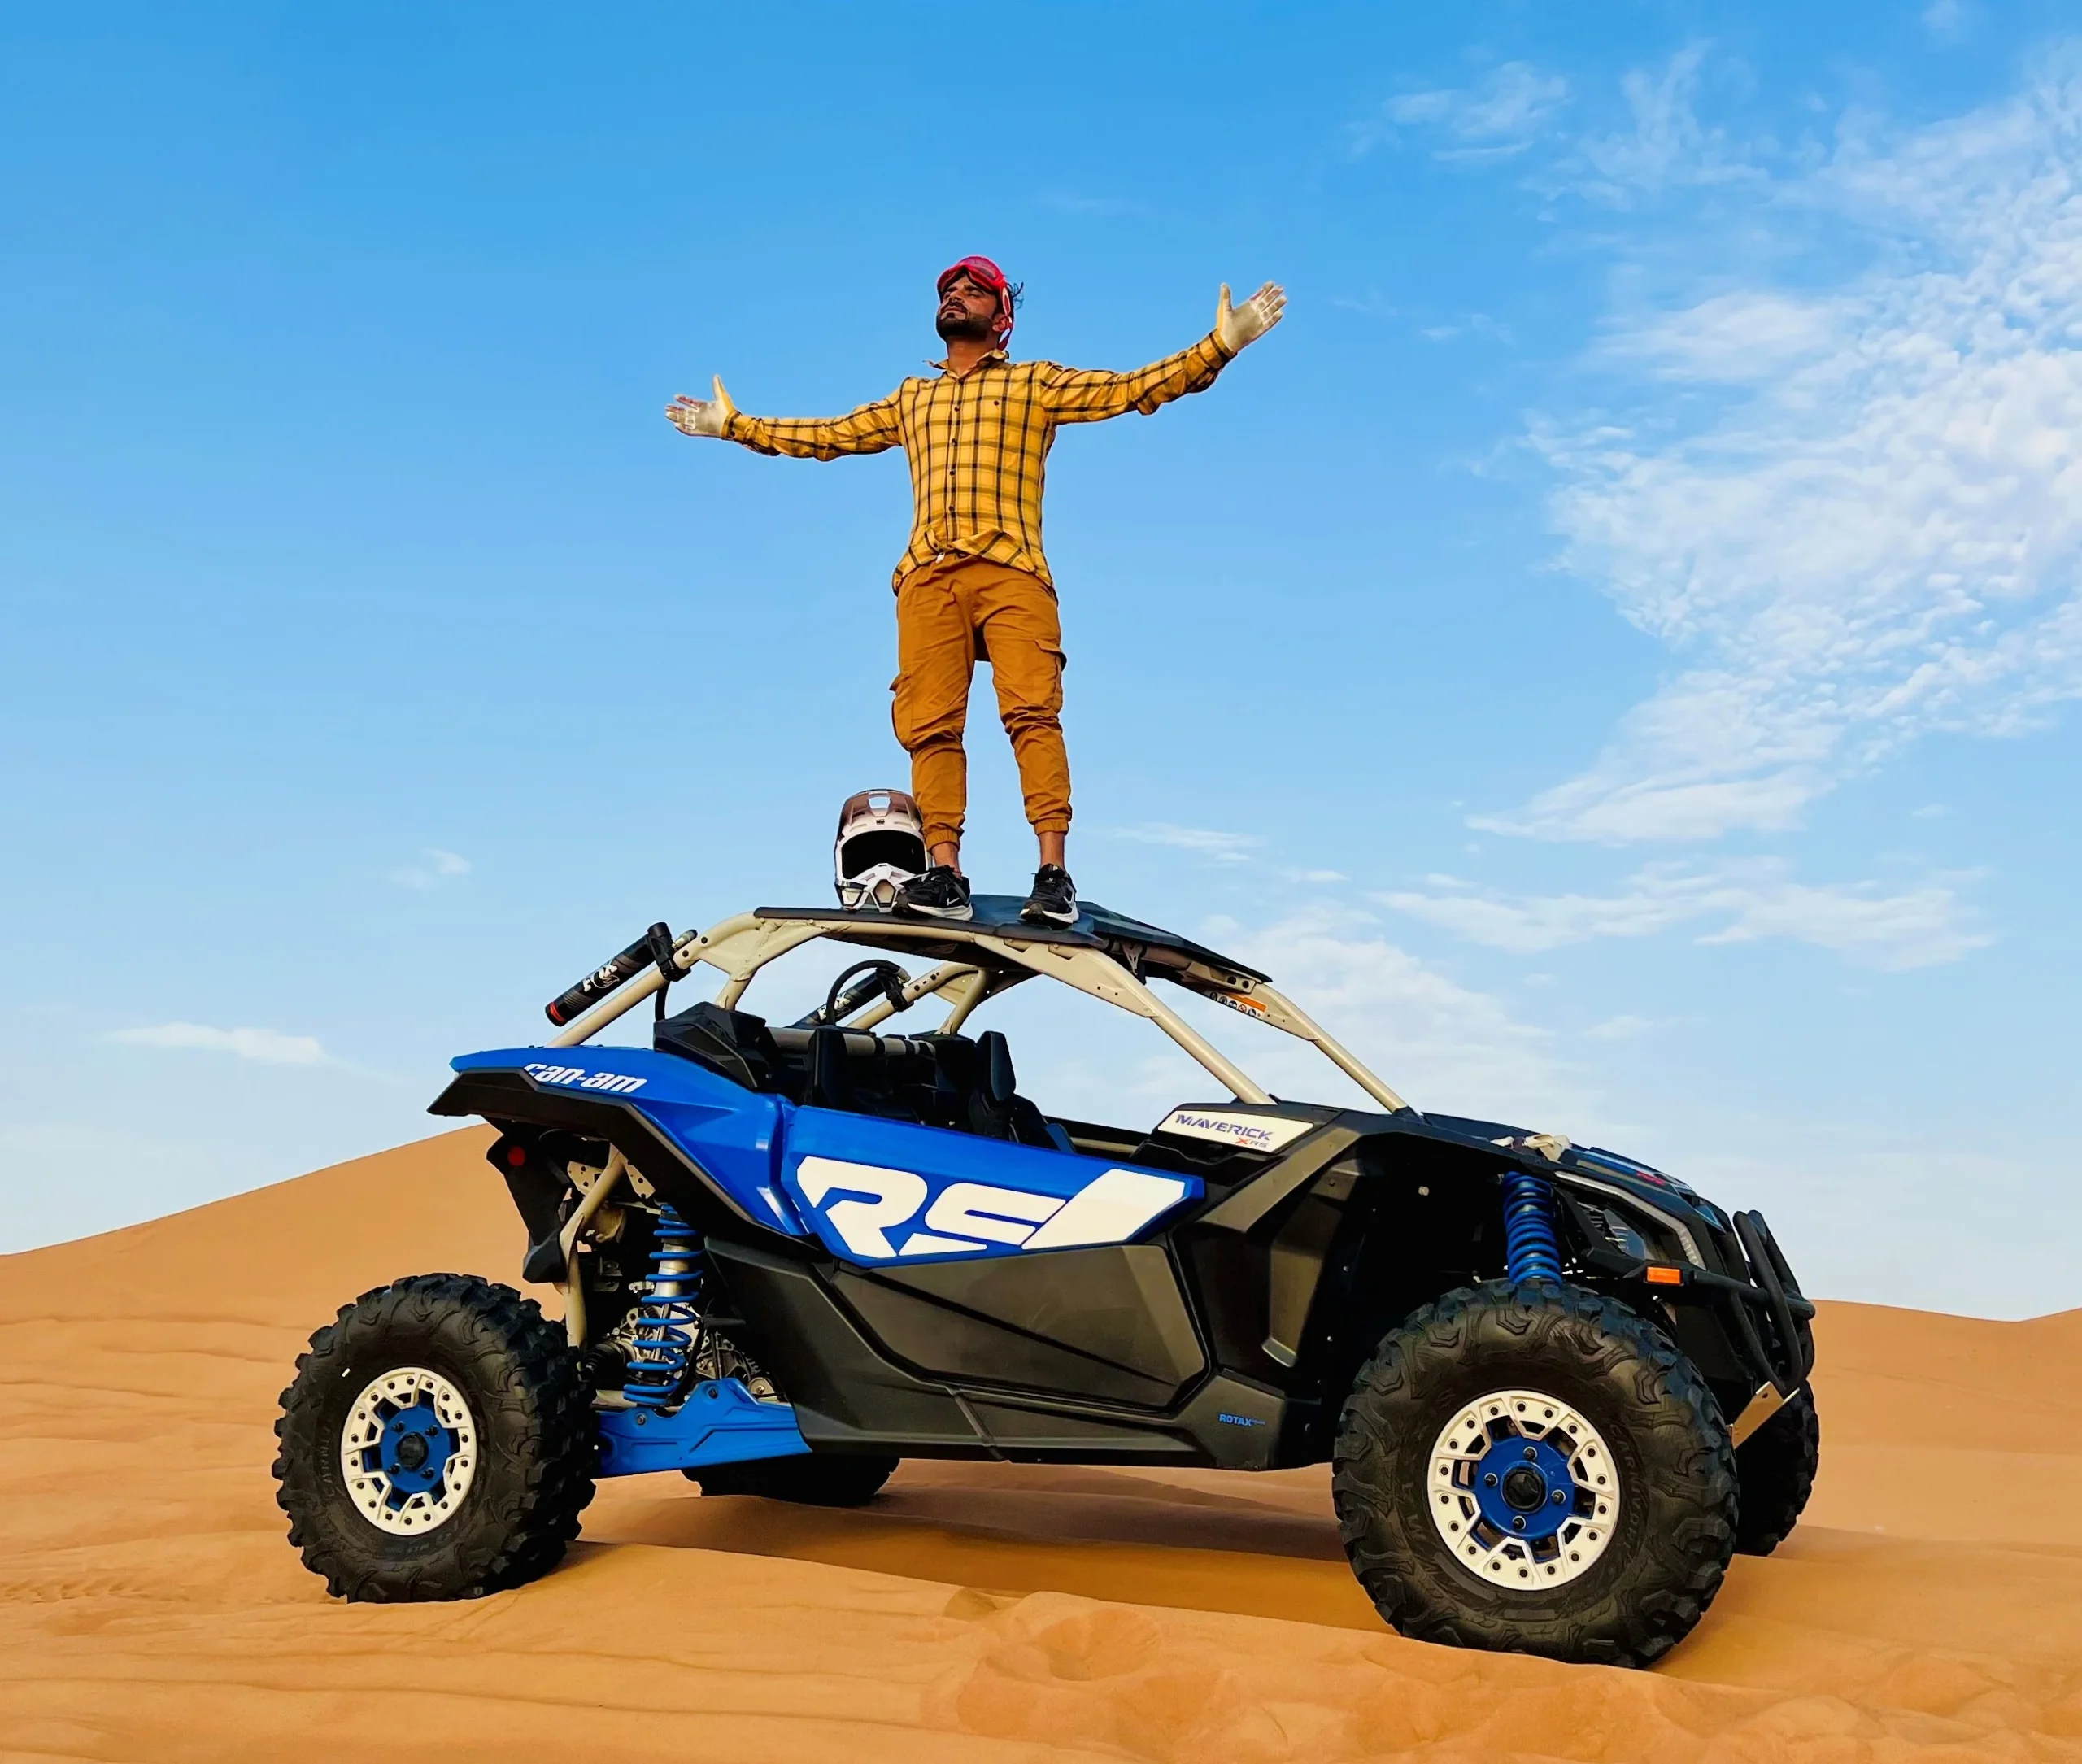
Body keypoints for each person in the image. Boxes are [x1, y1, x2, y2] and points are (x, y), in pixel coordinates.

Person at [665, 256, 1285, 925]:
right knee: (930, 726)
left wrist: (1220, 345)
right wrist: (735, 425)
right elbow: (829, 435)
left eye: (974, 289)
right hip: (929, 577)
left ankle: (1053, 874)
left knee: (1032, 713)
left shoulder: (1034, 384)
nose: (956, 294)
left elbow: (1132, 389)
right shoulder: (912, 399)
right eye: (949, 289)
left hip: (1012, 570)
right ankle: (946, 875)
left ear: (1002, 319)